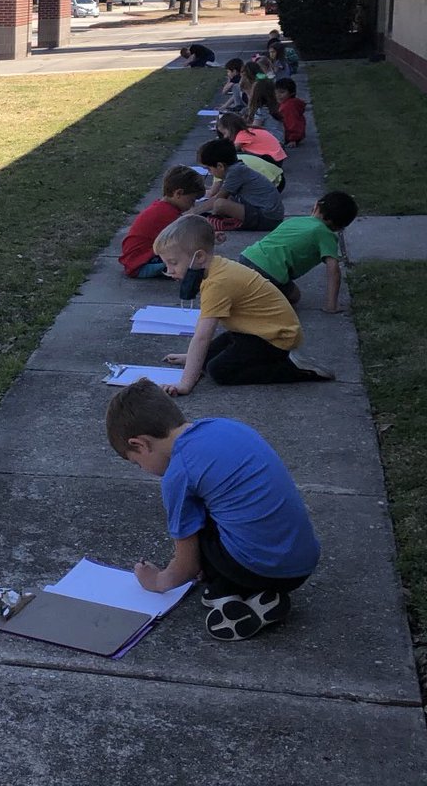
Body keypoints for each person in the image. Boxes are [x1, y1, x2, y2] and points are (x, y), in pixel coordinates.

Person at [106, 381, 321, 641]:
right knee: (224, 509)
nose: (143, 469)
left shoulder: (179, 473)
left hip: (259, 568)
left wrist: (157, 581)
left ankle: (228, 593)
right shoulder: (223, 426)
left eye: (137, 463)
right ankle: (259, 599)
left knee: (197, 529)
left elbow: (186, 566)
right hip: (302, 563)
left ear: (140, 444)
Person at [152, 215, 334, 392]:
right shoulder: (216, 267)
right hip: (254, 331)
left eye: (173, 263)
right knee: (207, 358)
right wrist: (192, 358)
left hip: (276, 339)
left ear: (199, 257)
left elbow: (202, 336)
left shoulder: (218, 283)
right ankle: (208, 359)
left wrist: (185, 383)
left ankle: (294, 368)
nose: (169, 271)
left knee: (219, 371)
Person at [239, 192, 358, 310]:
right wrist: (331, 306)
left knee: (250, 280)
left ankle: (247, 290)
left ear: (316, 205)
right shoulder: (326, 235)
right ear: (340, 226)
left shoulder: (295, 220)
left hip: (247, 257)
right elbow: (333, 269)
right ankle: (257, 299)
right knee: (294, 296)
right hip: (270, 272)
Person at [119, 165, 206, 278]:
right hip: (141, 265)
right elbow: (188, 237)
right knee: (190, 260)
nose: (192, 205)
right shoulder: (167, 213)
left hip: (136, 261)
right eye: (192, 200)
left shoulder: (162, 207)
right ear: (178, 193)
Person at [196, 138, 284, 232]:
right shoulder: (237, 168)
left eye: (208, 169)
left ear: (220, 166)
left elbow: (218, 199)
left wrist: (194, 212)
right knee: (227, 200)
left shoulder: (235, 172)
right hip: (268, 214)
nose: (209, 172)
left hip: (268, 218)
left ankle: (219, 221)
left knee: (220, 204)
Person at [216, 112, 286, 164]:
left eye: (224, 133)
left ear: (231, 128)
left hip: (271, 160)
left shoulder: (243, 134)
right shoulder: (249, 130)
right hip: (277, 158)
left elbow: (231, 150)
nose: (225, 137)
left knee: (235, 156)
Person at [275, 77, 307, 147]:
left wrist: (293, 139)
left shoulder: (289, 106)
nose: (278, 95)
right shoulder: (286, 103)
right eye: (276, 92)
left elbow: (293, 123)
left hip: (289, 137)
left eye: (282, 92)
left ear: (292, 93)